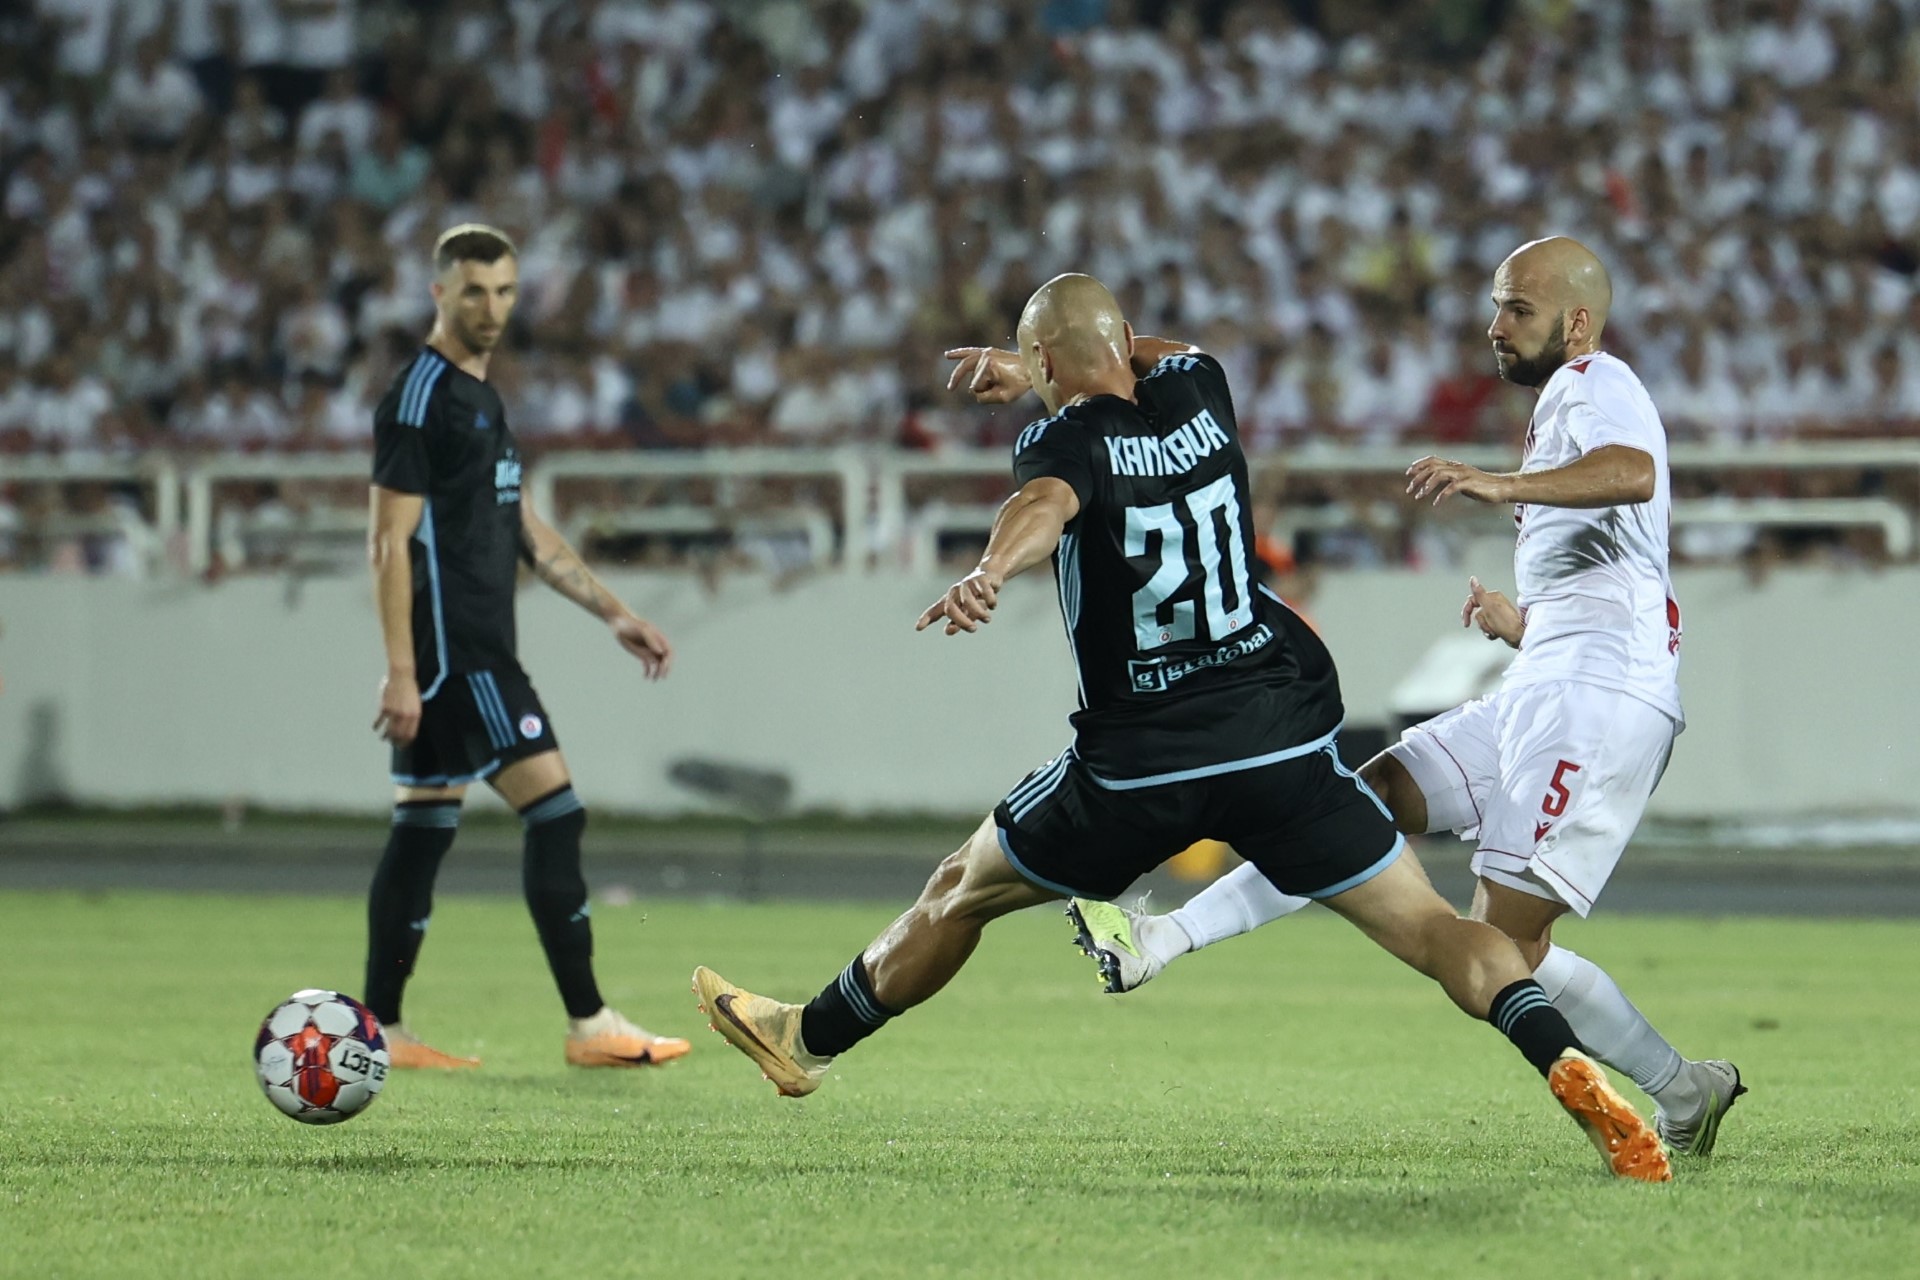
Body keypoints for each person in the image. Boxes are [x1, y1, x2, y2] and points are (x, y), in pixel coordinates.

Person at [693, 272, 1671, 1181]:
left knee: (959, 889)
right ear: (1125, 341)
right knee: (1436, 929)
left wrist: (993, 566)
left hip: (1142, 764)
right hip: (1279, 741)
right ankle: (1561, 1063)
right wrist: (1044, 357)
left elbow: (1044, 503)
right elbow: (1147, 353)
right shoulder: (1204, 390)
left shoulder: (1061, 437)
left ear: (1045, 373)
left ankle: (805, 1038)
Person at [1069, 238, 1745, 1158]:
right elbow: (1617, 560)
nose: (1495, 325)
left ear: (1577, 323)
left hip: (1596, 704)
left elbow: (1634, 473)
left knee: (1501, 952)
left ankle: (1677, 1088)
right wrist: (1525, 621)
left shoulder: (1596, 379)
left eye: (1517, 309)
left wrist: (1490, 481)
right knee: (1362, 797)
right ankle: (1162, 939)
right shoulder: (1563, 403)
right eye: (1497, 305)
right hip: (1545, 682)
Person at [364, 223, 689, 1071]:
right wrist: (403, 670)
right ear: (439, 293)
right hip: (458, 654)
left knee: (424, 828)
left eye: (505, 291)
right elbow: (387, 541)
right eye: (475, 290)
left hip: (464, 650)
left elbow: (528, 530)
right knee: (557, 810)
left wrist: (613, 610)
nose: (492, 307)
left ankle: (382, 1029)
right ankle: (590, 1026)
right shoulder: (419, 395)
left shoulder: (481, 399)